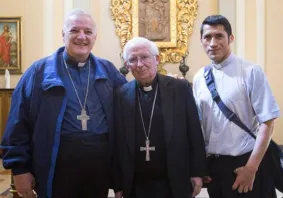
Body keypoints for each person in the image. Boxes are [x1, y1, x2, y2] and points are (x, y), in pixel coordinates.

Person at [1, 9, 126, 198]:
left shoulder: (108, 71)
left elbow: (130, 109)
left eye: (88, 32)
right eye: (74, 30)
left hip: (98, 167)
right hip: (55, 166)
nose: (81, 37)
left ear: (95, 37)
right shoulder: (38, 72)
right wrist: (19, 168)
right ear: (63, 35)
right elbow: (18, 123)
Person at [193, 15, 280, 198]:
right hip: (215, 166)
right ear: (201, 41)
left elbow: (268, 122)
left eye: (219, 36)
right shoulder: (200, 77)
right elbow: (199, 125)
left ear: (230, 38)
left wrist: (251, 168)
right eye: (207, 37)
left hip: (245, 162)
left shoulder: (250, 71)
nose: (213, 43)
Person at [114, 37, 207, 198]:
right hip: (137, 184)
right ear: (127, 65)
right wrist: (118, 184)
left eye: (144, 57)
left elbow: (194, 131)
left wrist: (197, 172)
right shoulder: (121, 95)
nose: (139, 64)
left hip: (174, 181)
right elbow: (117, 143)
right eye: (133, 59)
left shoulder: (180, 88)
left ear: (156, 59)